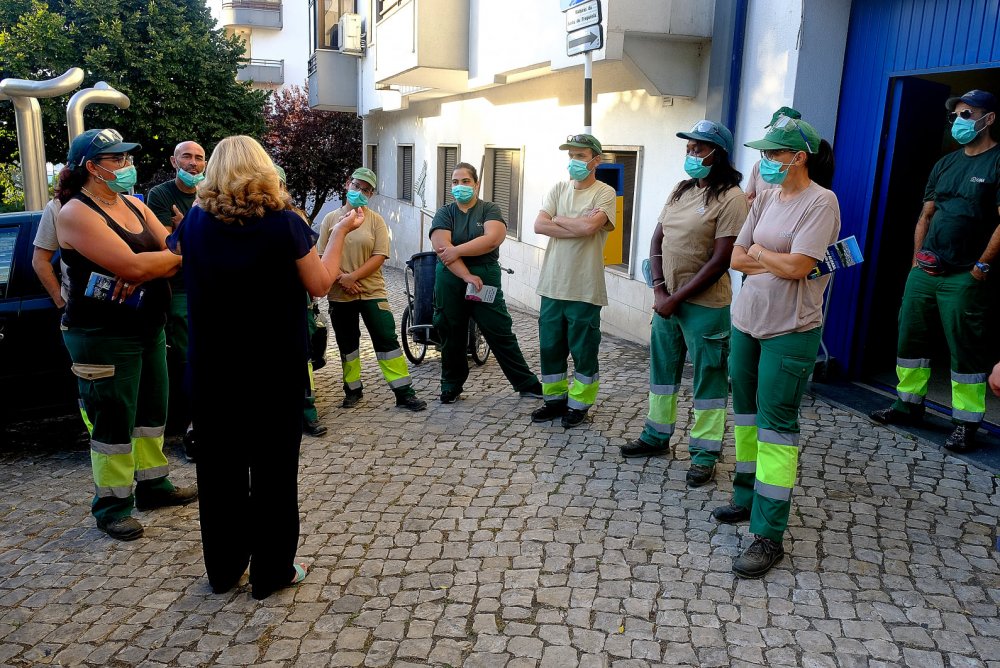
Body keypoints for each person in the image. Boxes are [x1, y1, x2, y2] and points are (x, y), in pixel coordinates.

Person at [170, 135, 361, 600]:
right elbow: (318, 283)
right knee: (274, 471)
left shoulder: (195, 221)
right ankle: (272, 571)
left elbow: (179, 263)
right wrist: (336, 236)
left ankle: (223, 569)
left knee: (218, 472)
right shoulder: (284, 223)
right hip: (273, 370)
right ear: (264, 170)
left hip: (213, 370)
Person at [712, 115, 839, 579]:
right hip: (748, 322)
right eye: (763, 154)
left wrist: (765, 258)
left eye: (773, 154)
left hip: (791, 329)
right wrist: (774, 259)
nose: (765, 162)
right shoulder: (763, 197)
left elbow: (799, 267)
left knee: (777, 430)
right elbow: (735, 255)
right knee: (745, 417)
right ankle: (745, 496)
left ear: (798, 157)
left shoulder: (821, 202)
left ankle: (768, 535)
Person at [55, 128, 197, 541]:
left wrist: (155, 262)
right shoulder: (75, 213)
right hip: (102, 334)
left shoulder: (133, 205)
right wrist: (153, 263)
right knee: (113, 421)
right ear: (91, 168)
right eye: (116, 159)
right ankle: (112, 506)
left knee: (152, 412)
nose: (126, 166)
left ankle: (154, 485)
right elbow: (136, 267)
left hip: (148, 326)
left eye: (127, 158)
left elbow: (177, 246)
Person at [869, 89, 1000, 453]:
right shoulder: (945, 163)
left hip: (965, 275)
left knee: (966, 350)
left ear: (988, 119)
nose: (959, 121)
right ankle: (907, 405)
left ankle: (966, 423)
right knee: (910, 339)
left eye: (967, 114)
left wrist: (980, 267)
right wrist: (916, 259)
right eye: (956, 114)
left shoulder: (997, 162)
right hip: (925, 271)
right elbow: (926, 214)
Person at [621, 120, 748, 489]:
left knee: (708, 379)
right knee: (662, 373)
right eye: (689, 149)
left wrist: (675, 297)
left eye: (698, 149)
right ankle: (656, 436)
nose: (691, 155)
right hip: (666, 303)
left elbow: (720, 259)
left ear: (717, 154)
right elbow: (657, 239)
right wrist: (660, 289)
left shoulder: (732, 198)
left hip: (704, 306)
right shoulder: (681, 189)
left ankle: (704, 454)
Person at [429, 162, 543, 403]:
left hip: (485, 277)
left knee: (499, 329)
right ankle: (451, 384)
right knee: (450, 330)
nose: (460, 186)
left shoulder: (489, 209)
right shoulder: (444, 213)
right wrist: (466, 275)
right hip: (451, 277)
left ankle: (526, 382)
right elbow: (441, 248)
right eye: (455, 182)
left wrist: (456, 249)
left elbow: (492, 239)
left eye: (466, 181)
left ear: (477, 184)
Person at [317, 167, 427, 411]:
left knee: (386, 339)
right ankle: (353, 389)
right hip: (339, 293)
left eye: (366, 190)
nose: (360, 191)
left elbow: (379, 256)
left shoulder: (375, 221)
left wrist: (352, 277)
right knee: (348, 344)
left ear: (371, 195)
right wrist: (341, 279)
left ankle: (403, 392)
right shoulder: (330, 220)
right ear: (347, 184)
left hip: (372, 291)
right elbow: (321, 255)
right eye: (357, 186)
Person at [532, 134, 617, 428]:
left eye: (580, 156)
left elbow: (592, 226)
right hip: (552, 284)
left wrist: (560, 221)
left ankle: (579, 405)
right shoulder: (558, 188)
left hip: (585, 288)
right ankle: (554, 400)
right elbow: (538, 224)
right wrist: (577, 225)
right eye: (571, 155)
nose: (574, 161)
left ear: (595, 160)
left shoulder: (604, 193)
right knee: (550, 347)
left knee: (583, 351)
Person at [146, 141, 207, 461]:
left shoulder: (211, 192)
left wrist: (186, 228)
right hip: (180, 289)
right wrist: (189, 234)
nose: (194, 163)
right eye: (187, 156)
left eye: (199, 157)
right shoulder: (160, 195)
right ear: (174, 161)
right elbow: (168, 247)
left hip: (211, 285)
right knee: (188, 356)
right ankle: (192, 429)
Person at [275, 164, 331, 436]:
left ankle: (307, 412)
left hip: (300, 300)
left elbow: (312, 266)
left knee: (303, 358)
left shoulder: (295, 217)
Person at [745, 107, 801, 204]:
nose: (775, 133)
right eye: (773, 128)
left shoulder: (798, 170)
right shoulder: (760, 166)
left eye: (781, 129)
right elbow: (748, 199)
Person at [31, 198, 67, 308]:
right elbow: (40, 260)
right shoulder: (57, 206)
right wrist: (61, 302)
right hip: (80, 307)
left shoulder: (120, 200)